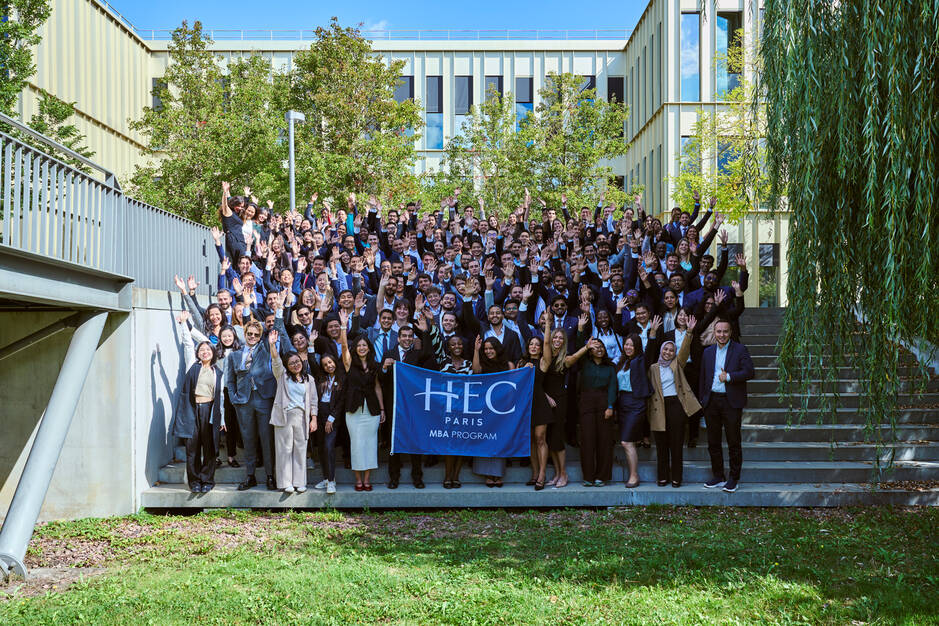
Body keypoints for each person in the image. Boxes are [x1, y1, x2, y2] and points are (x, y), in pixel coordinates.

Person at [699, 318, 755, 493]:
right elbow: (702, 378)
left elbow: (749, 372)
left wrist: (729, 376)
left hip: (731, 402)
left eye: (725, 331)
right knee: (713, 441)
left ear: (730, 332)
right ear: (714, 333)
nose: (722, 334)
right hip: (712, 401)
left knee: (733, 441)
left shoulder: (740, 349)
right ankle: (718, 476)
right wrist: (703, 400)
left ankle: (733, 478)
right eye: (718, 331)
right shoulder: (707, 352)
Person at [173, 313, 225, 494]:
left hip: (210, 410)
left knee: (210, 447)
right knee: (192, 448)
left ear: (213, 353)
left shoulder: (218, 372)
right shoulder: (192, 366)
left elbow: (221, 397)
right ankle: (194, 481)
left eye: (208, 350)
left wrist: (223, 418)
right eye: (201, 350)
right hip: (192, 410)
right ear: (198, 353)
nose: (204, 352)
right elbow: (188, 343)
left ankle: (207, 480)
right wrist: (184, 324)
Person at [647, 316, 701, 488]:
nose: (668, 352)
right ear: (661, 350)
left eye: (671, 350)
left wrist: (690, 332)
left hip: (676, 405)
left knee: (676, 444)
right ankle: (662, 476)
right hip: (658, 407)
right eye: (666, 350)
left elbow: (684, 350)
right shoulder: (653, 368)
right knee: (662, 445)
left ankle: (677, 477)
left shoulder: (677, 364)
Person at [225, 319, 278, 491]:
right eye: (250, 334)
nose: (253, 337)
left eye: (256, 334)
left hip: (263, 399)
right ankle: (250, 476)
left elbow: (277, 335)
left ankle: (270, 476)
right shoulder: (234, 355)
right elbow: (230, 380)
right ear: (245, 334)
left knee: (266, 439)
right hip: (243, 402)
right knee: (248, 440)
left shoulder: (265, 350)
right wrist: (234, 398)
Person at [337, 310, 385, 491]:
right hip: (354, 409)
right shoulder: (350, 364)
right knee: (356, 443)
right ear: (355, 348)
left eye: (365, 345)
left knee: (370, 444)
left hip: (371, 409)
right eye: (359, 345)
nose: (362, 348)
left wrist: (382, 410)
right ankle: (358, 479)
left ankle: (367, 479)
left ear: (369, 348)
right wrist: (343, 326)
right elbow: (343, 347)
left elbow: (377, 387)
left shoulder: (374, 365)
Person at [268, 330, 318, 493]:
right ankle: (285, 482)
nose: (295, 364)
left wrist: (314, 419)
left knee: (300, 449)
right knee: (284, 450)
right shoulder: (282, 376)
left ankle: (300, 481)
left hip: (302, 417)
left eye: (297, 361)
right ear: (287, 366)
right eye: (291, 363)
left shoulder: (309, 379)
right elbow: (276, 361)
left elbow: (313, 401)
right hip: (284, 416)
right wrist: (272, 344)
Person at [567, 336, 617, 487]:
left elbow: (613, 387)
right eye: (595, 347)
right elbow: (576, 350)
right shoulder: (584, 363)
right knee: (588, 440)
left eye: (601, 347)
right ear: (590, 351)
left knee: (604, 441)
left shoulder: (610, 367)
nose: (599, 349)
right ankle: (588, 476)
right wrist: (582, 335)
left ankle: (602, 476)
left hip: (603, 401)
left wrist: (610, 406)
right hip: (586, 402)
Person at [471, 336, 513, 487]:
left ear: (497, 349)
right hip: (484, 408)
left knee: (498, 440)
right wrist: (476, 350)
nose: (488, 351)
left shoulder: (508, 365)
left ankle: (497, 474)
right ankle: (487, 474)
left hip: (502, 409)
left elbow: (513, 387)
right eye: (486, 349)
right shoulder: (482, 364)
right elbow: (476, 371)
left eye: (491, 348)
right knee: (485, 439)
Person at [615, 333, 656, 488]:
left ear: (637, 346)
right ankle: (633, 473)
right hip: (622, 403)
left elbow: (650, 352)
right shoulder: (622, 362)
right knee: (628, 441)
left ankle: (634, 475)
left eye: (632, 345)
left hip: (636, 403)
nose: (628, 347)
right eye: (626, 344)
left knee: (626, 442)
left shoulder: (641, 360)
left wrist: (652, 337)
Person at [518, 334, 555, 490]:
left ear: (541, 348)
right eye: (531, 344)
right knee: (531, 440)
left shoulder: (543, 362)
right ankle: (534, 474)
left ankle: (542, 474)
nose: (534, 346)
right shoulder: (521, 362)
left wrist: (547, 323)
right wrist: (522, 371)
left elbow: (538, 384)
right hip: (526, 404)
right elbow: (517, 384)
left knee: (540, 438)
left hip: (539, 403)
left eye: (537, 345)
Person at [312, 354, 342, 494]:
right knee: (322, 447)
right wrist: (311, 344)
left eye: (330, 362)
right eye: (325, 364)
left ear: (335, 361)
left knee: (329, 446)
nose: (328, 365)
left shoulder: (342, 378)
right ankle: (326, 478)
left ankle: (331, 481)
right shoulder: (320, 377)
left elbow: (341, 401)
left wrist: (332, 418)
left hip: (332, 415)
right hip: (320, 413)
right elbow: (312, 362)